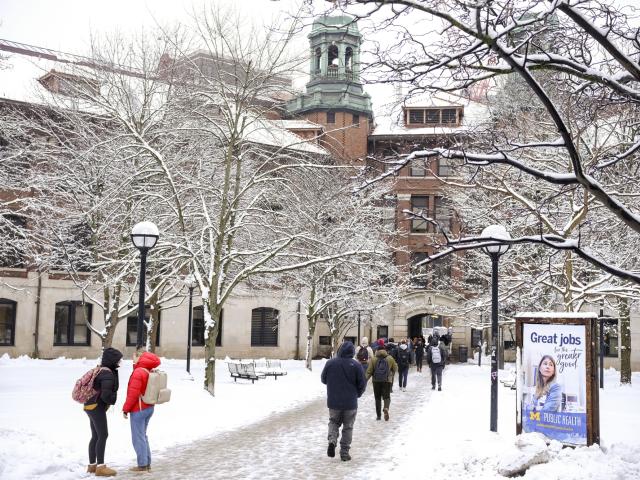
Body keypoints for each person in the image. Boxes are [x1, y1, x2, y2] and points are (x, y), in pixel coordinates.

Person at [320, 341, 366, 462]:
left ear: (339, 350)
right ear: (352, 352)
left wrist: (333, 384)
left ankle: (332, 440)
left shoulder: (330, 363)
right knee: (348, 427)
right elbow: (362, 384)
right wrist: (357, 394)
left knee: (333, 422)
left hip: (334, 401)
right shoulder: (356, 365)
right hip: (350, 403)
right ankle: (344, 453)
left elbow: (323, 379)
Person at [84, 347, 123, 477]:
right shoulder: (107, 374)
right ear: (112, 360)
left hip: (89, 405)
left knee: (95, 436)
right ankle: (100, 467)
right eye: (118, 360)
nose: (120, 362)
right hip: (97, 407)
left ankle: (92, 466)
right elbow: (106, 396)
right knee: (103, 435)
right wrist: (114, 398)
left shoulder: (101, 370)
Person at [122, 349, 162, 473]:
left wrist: (125, 409)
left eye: (134, 356)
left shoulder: (138, 372)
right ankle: (147, 463)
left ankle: (142, 465)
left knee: (138, 438)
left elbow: (133, 394)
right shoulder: (148, 369)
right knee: (143, 436)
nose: (132, 359)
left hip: (138, 409)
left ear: (139, 357)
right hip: (148, 407)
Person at [365, 343, 398, 421]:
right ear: (385, 350)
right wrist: (391, 375)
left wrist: (364, 380)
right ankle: (386, 408)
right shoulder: (390, 358)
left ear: (377, 351)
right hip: (387, 380)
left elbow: (369, 371)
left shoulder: (373, 359)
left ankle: (378, 416)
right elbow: (395, 368)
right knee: (386, 397)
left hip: (376, 381)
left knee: (377, 398)